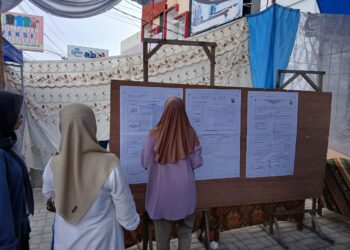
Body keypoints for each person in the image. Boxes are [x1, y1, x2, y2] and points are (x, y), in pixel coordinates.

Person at [42, 103, 139, 250]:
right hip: (103, 241)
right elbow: (125, 211)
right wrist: (132, 227)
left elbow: (48, 195)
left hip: (65, 240)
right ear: (91, 126)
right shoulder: (110, 164)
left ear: (62, 128)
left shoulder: (53, 164)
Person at [141, 96, 203, 250]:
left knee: (162, 237)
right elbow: (197, 162)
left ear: (165, 111)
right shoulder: (190, 132)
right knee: (185, 233)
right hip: (185, 193)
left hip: (161, 194)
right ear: (183, 112)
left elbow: (145, 162)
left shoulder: (153, 133)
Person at [0, 91, 34, 250]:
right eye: (15, 113)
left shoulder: (7, 146)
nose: (20, 118)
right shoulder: (1, 155)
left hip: (18, 231)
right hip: (10, 240)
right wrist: (8, 244)